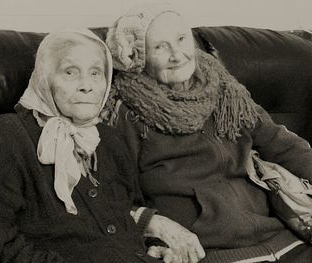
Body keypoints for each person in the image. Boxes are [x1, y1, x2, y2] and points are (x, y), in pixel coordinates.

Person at [103, 2, 312, 263]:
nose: (177, 54)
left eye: (181, 39)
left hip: (285, 238)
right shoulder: (125, 113)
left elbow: (284, 146)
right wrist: (153, 224)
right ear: (138, 58)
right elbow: (108, 196)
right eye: (160, 47)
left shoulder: (226, 91)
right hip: (210, 253)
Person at [0, 28, 191, 263]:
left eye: (95, 73)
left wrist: (156, 246)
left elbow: (126, 213)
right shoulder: (5, 135)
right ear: (45, 77)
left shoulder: (109, 139)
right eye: (70, 72)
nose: (86, 86)